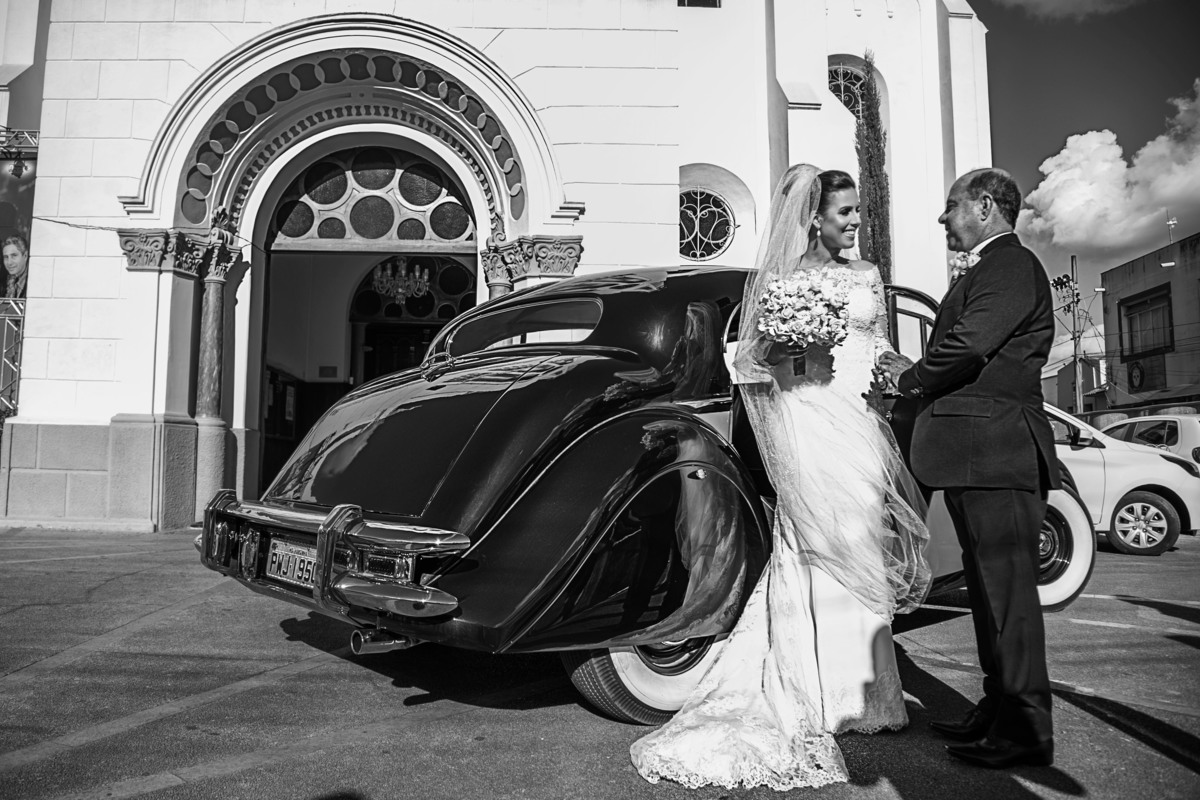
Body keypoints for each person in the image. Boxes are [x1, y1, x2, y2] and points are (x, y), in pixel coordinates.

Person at [629, 165, 931, 790]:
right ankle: (816, 695)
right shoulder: (786, 281)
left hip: (858, 419)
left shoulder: (868, 277)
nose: (854, 223)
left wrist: (896, 368)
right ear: (813, 216)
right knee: (817, 544)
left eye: (856, 213)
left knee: (861, 541)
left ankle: (869, 697)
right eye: (843, 213)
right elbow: (749, 362)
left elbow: (876, 347)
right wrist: (799, 347)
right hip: (807, 416)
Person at [880, 168, 1059, 769]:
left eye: (951, 207)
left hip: (1000, 455)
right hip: (975, 455)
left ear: (985, 207)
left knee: (1010, 601)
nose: (942, 218)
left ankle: (1027, 732)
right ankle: (997, 708)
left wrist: (909, 377)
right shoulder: (990, 268)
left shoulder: (1011, 264)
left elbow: (969, 346)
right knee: (987, 598)